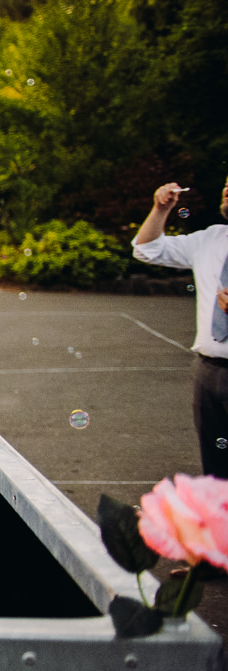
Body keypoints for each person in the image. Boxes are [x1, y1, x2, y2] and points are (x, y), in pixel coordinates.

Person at [133, 176, 228, 476]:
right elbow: (148, 250)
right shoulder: (210, 239)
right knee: (216, 474)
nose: (226, 188)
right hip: (209, 372)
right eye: (226, 183)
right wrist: (160, 209)